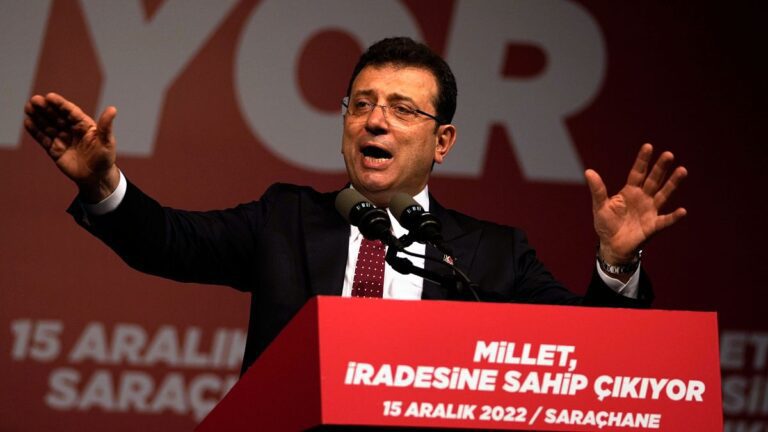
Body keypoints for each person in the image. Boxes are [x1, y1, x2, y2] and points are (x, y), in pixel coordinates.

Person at [23, 37, 687, 373]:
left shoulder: (492, 253)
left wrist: (615, 264)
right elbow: (167, 241)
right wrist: (102, 184)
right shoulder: (286, 218)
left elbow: (591, 353)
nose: (375, 121)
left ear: (443, 141)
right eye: (362, 105)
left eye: (401, 109)